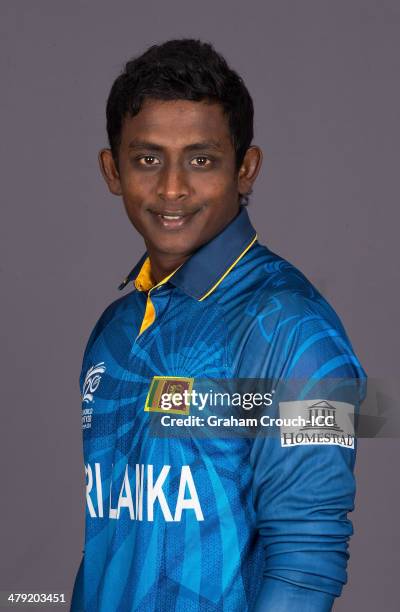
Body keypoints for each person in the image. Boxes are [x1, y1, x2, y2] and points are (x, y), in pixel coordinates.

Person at [70, 39, 366, 611]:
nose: (173, 187)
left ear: (245, 167)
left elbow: (308, 560)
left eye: (201, 159)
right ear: (112, 170)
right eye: (147, 158)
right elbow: (109, 542)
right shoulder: (114, 329)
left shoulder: (296, 331)